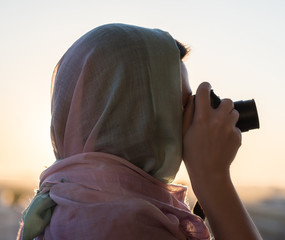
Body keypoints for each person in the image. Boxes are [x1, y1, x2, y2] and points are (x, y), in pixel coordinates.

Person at [17, 23, 262, 240]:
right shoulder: (125, 226)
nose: (193, 120)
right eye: (181, 105)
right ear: (137, 117)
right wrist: (213, 178)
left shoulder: (68, 202)